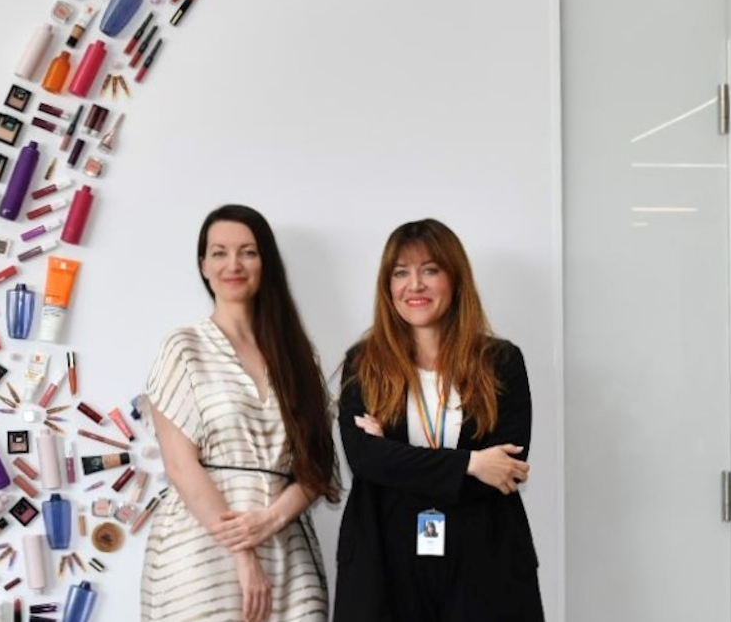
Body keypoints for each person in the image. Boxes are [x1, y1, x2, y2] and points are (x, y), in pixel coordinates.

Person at [333, 218, 543, 621]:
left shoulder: (501, 362)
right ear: (387, 286)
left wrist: (393, 456)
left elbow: (507, 469)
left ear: (455, 279)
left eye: (429, 271)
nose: (414, 285)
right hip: (386, 561)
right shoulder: (364, 363)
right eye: (401, 273)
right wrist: (471, 463)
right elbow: (364, 459)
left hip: (483, 560)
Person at [140, 205, 340, 622]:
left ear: (266, 262)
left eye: (247, 252)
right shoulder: (184, 347)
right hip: (200, 551)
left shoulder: (297, 355)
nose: (233, 264)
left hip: (287, 546)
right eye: (219, 252)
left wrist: (270, 520)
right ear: (203, 265)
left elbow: (317, 465)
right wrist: (244, 555)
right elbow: (180, 466)